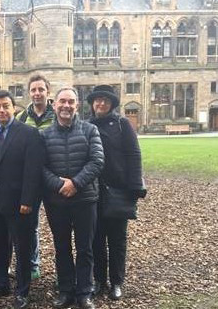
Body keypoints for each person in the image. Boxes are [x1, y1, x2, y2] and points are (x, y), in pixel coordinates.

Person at [0, 90, 45, 309]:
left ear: (14, 107)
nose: (2, 110)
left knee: (22, 248)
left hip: (19, 204)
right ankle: (1, 283)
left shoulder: (29, 134)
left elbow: (33, 171)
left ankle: (22, 291)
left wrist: (28, 200)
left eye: (6, 106)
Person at [41, 87, 104, 309]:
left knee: (85, 248)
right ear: (54, 104)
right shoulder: (44, 135)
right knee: (62, 247)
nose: (66, 106)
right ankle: (66, 291)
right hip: (57, 201)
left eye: (71, 102)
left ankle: (84, 292)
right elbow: (40, 168)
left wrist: (75, 183)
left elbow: (97, 161)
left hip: (84, 199)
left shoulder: (90, 130)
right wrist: (60, 185)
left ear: (77, 105)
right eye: (62, 102)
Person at [87, 85, 145, 301]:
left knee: (117, 240)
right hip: (93, 192)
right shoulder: (87, 125)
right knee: (96, 240)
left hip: (118, 190)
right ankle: (100, 280)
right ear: (92, 103)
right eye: (97, 100)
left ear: (111, 104)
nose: (100, 104)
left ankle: (117, 282)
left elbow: (133, 154)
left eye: (105, 100)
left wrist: (135, 187)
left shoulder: (122, 124)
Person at [14, 74, 55, 280]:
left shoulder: (58, 114)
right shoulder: (21, 117)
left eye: (41, 89)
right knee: (30, 226)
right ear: (29, 93)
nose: (37, 93)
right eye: (33, 90)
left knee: (61, 226)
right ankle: (33, 264)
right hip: (29, 180)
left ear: (48, 92)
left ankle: (64, 269)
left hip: (54, 178)